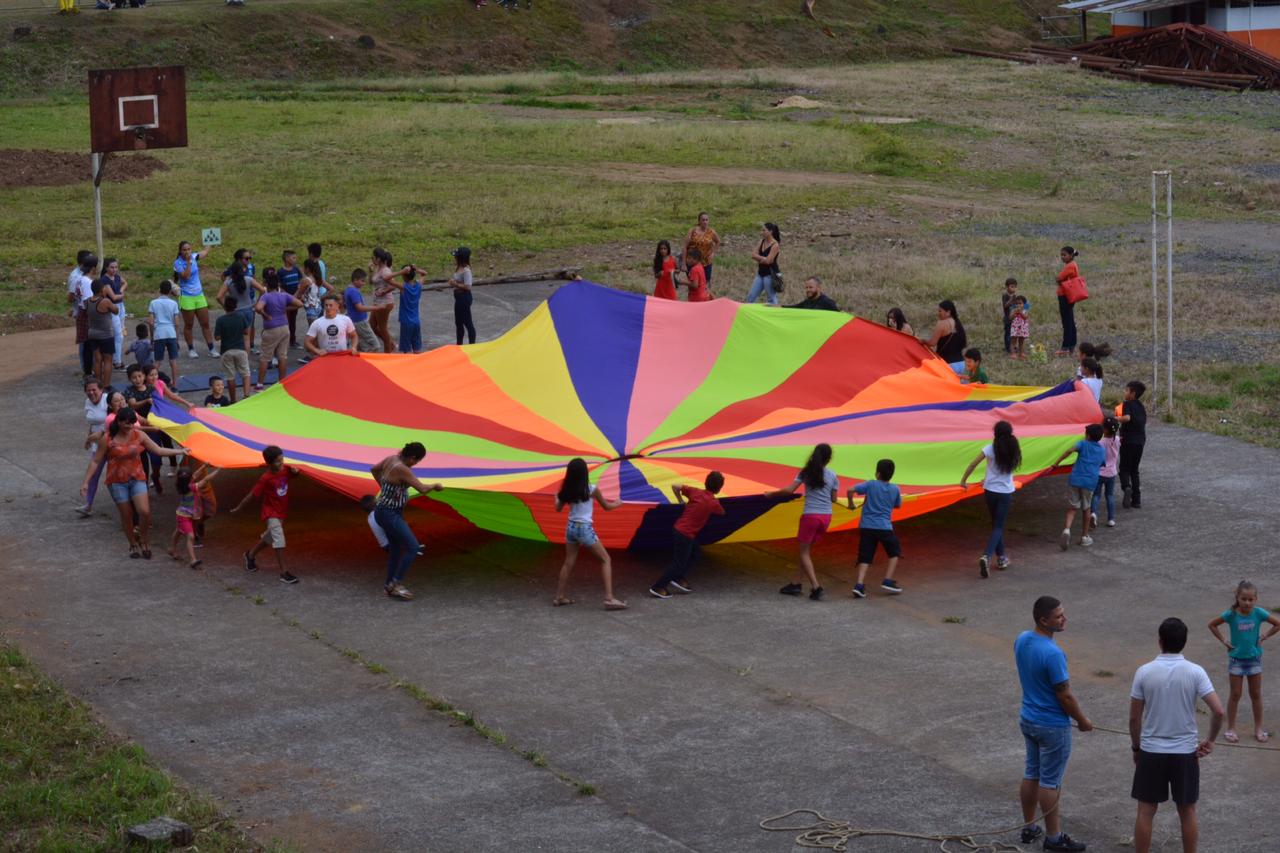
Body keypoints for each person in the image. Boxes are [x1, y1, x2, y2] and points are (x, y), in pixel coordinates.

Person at [1129, 617, 1224, 853]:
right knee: (1187, 810)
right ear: (1184, 642)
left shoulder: (1144, 672)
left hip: (1151, 751)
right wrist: (1210, 740)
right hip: (1184, 752)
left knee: (1146, 811)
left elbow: (1134, 719)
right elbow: (1219, 710)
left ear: (1160, 641)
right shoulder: (1195, 672)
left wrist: (1136, 747)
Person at [1014, 596, 1092, 852]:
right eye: (1059, 616)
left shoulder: (1022, 639)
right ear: (1043, 620)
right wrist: (1082, 720)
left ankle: (1029, 827)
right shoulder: (1053, 654)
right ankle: (1054, 837)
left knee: (1031, 773)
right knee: (1050, 781)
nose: (1064, 619)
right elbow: (1064, 694)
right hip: (1052, 726)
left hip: (1029, 719)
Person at [81, 407, 185, 559]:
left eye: (131, 423)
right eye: (126, 423)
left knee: (144, 512)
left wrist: (180, 451)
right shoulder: (108, 438)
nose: (129, 427)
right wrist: (86, 482)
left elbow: (158, 450)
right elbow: (96, 461)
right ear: (119, 422)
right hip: (116, 482)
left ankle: (143, 540)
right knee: (127, 515)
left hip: (137, 478)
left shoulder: (139, 435)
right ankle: (132, 544)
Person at [1208, 580, 1280, 744]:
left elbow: (1277, 624)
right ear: (1237, 598)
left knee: (1256, 694)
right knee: (1235, 695)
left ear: (1255, 599)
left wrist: (1265, 636)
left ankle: (1258, 728)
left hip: (1254, 659)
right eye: (1244, 599)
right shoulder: (1231, 614)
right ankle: (1231, 728)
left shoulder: (1259, 613)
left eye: (1250, 599)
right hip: (1236, 660)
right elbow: (1212, 625)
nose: (1247, 603)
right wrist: (1224, 641)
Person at [370, 442, 443, 601]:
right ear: (412, 457)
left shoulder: (391, 459)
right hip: (390, 514)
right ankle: (395, 584)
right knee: (413, 546)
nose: (415, 465)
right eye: (416, 461)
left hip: (383, 511)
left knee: (396, 551)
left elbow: (374, 469)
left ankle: (388, 586)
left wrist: (384, 486)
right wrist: (436, 485)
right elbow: (422, 489)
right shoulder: (402, 469)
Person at [552, 458, 627, 610]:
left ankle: (559, 597)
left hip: (571, 528)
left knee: (568, 562)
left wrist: (556, 498)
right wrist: (618, 503)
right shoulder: (592, 489)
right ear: (585, 473)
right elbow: (607, 507)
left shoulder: (566, 490)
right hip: (584, 529)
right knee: (606, 559)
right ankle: (609, 598)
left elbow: (558, 509)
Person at [766, 443, 838, 600]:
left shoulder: (807, 472)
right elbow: (834, 499)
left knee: (804, 552)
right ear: (829, 458)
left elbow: (789, 490)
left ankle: (816, 588)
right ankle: (796, 583)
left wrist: (771, 494)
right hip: (826, 518)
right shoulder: (833, 475)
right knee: (805, 552)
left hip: (811, 517)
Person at [648, 472, 726, 599]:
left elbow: (675, 486)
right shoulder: (714, 503)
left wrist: (681, 501)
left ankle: (678, 576)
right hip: (685, 534)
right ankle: (658, 587)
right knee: (678, 563)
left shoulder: (694, 491)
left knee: (695, 553)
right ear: (719, 489)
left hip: (679, 529)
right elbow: (722, 512)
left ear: (705, 482)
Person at [960, 420, 1021, 578]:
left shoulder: (990, 448)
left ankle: (1001, 558)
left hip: (990, 491)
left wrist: (963, 480)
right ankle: (987, 556)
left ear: (995, 433)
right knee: (998, 527)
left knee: (996, 526)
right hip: (1005, 492)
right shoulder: (1013, 447)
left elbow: (973, 464)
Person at [231, 445, 301, 584]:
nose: (281, 463)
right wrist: (239, 507)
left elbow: (294, 474)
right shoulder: (266, 478)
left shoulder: (285, 469)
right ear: (269, 463)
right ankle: (284, 572)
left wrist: (295, 472)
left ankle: (250, 555)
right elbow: (252, 494)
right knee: (279, 539)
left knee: (269, 538)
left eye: (282, 460)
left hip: (281, 512)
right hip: (271, 513)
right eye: (277, 461)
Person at [847, 458, 903, 598]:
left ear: (877, 473)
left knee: (865, 556)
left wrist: (851, 503)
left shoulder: (870, 485)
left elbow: (850, 489)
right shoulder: (895, 488)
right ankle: (888, 580)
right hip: (884, 527)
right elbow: (897, 505)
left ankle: (859, 585)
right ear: (891, 475)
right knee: (894, 552)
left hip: (867, 526)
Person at [1050, 423, 1106, 550]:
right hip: (1090, 482)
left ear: (1088, 436)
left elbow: (1069, 450)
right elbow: (1102, 464)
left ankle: (1067, 530)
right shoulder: (1102, 450)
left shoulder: (1082, 444)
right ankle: (1084, 537)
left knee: (1072, 507)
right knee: (1086, 509)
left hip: (1075, 479)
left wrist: (1056, 463)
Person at [255, 268, 303, 390]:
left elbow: (258, 308)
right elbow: (300, 304)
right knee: (282, 355)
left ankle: (260, 384)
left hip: (271, 328)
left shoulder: (265, 297)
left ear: (266, 285)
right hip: (284, 327)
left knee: (265, 357)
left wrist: (266, 315)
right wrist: (285, 309)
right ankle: (282, 382)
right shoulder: (284, 295)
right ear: (278, 285)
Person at [172, 240, 218, 358]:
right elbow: (186, 276)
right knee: (189, 324)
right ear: (180, 251)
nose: (187, 252)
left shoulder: (194, 256)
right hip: (187, 296)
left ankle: (211, 348)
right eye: (184, 250)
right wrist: (188, 263)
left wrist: (209, 244)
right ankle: (191, 349)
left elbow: (204, 252)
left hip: (199, 295)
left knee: (205, 323)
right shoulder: (178, 263)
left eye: (189, 249)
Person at [218, 248, 263, 355]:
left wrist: (226, 307)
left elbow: (219, 296)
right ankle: (245, 361)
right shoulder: (248, 279)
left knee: (235, 336)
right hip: (248, 308)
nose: (249, 260)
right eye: (246, 258)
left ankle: (234, 358)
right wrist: (256, 303)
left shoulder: (229, 282)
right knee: (246, 338)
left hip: (235, 310)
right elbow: (262, 289)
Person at [167, 467, 212, 570]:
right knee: (190, 536)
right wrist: (219, 469)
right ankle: (193, 560)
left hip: (182, 514)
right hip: (184, 516)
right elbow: (205, 480)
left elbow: (195, 474)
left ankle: (172, 548)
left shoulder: (182, 485)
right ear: (190, 478)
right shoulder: (192, 487)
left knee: (179, 530)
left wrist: (204, 465)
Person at [77, 378, 109, 517]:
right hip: (97, 444)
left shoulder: (108, 401)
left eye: (94, 389)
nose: (91, 393)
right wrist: (88, 438)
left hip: (112, 441)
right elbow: (92, 422)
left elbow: (115, 420)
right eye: (88, 390)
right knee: (93, 474)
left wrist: (101, 434)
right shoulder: (87, 402)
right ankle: (88, 504)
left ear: (101, 389)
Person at [1117, 380, 1147, 509]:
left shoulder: (1127, 403)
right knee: (1135, 470)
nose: (1125, 392)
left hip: (1128, 440)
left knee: (1124, 468)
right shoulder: (1141, 406)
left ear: (1132, 393)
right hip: (1140, 441)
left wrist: (1116, 418)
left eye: (1126, 390)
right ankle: (1137, 500)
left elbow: (1127, 418)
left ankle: (1126, 487)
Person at [214, 297, 251, 402]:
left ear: (225, 307)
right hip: (240, 349)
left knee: (230, 376)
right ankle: (246, 396)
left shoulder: (220, 320)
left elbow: (217, 337)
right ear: (236, 306)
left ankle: (233, 400)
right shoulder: (241, 316)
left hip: (226, 350)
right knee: (245, 373)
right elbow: (246, 331)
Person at [84, 278, 119, 389]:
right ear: (102, 289)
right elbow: (116, 310)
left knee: (97, 359)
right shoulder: (105, 301)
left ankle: (97, 383)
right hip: (105, 334)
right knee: (108, 359)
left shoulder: (87, 301)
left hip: (92, 333)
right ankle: (106, 384)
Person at [369, 247, 405, 353]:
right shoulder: (378, 269)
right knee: (372, 326)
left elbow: (393, 285)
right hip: (377, 302)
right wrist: (370, 270)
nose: (372, 259)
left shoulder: (385, 271)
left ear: (379, 259)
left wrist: (384, 291)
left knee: (382, 328)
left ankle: (388, 352)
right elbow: (371, 282)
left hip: (384, 303)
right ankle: (390, 343)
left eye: (373, 257)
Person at [344, 268, 385, 355]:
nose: (364, 283)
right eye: (362, 281)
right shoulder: (353, 292)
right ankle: (367, 359)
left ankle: (361, 361)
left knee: (361, 345)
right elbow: (360, 308)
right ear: (355, 280)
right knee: (376, 345)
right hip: (360, 322)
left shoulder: (349, 289)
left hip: (354, 321)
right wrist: (377, 308)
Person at [68, 252, 96, 377]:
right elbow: (87, 301)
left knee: (86, 343)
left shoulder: (80, 279)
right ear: (93, 268)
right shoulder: (86, 282)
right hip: (86, 314)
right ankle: (88, 370)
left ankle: (88, 369)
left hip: (81, 312)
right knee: (87, 345)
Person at [148, 280, 182, 384]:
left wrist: (152, 338)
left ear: (159, 290)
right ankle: (175, 384)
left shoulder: (153, 303)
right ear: (170, 291)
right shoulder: (174, 304)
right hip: (171, 333)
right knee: (173, 361)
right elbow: (176, 323)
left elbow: (151, 322)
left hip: (159, 333)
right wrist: (176, 338)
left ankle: (149, 383)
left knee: (157, 361)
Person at [1089, 416, 1120, 530]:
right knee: (1110, 495)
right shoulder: (1116, 440)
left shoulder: (1100, 442)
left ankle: (1093, 513)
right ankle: (1111, 519)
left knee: (1096, 495)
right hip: (1111, 473)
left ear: (1105, 430)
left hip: (1099, 473)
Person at [385, 266, 424, 353]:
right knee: (417, 349)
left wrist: (400, 272)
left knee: (406, 351)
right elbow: (424, 273)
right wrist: (416, 269)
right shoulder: (418, 285)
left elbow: (386, 278)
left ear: (404, 276)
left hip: (406, 322)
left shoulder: (403, 287)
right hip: (416, 321)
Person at [99, 257, 129, 369]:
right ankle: (117, 361)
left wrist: (121, 290)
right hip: (112, 308)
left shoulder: (116, 277)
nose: (114, 269)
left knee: (121, 331)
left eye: (116, 267)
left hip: (121, 306)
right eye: (111, 267)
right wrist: (121, 295)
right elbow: (113, 297)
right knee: (118, 335)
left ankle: (117, 359)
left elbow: (125, 282)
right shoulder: (104, 280)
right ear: (106, 268)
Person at [919, 300, 966, 369]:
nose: (938, 313)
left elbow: (932, 343)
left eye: (940, 311)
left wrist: (923, 341)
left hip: (947, 364)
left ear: (948, 312)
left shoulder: (942, 323)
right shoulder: (957, 323)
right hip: (961, 363)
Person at [744, 223, 781, 306]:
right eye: (762, 230)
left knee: (771, 298)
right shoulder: (762, 241)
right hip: (760, 274)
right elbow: (753, 255)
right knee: (751, 297)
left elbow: (769, 261)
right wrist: (763, 259)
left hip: (770, 275)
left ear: (770, 232)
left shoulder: (775, 245)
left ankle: (775, 314)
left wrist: (759, 258)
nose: (762, 232)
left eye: (764, 230)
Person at [1055, 247, 1081, 357]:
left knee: (1067, 322)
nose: (1062, 257)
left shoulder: (1070, 266)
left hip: (1065, 295)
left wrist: (1059, 280)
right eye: (1061, 255)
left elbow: (1058, 278)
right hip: (1069, 295)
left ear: (1071, 255)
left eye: (1064, 255)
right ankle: (1071, 346)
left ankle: (1065, 347)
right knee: (1070, 320)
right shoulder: (1073, 265)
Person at [681, 211, 721, 284]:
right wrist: (683, 263)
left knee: (705, 283)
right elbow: (685, 246)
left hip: (706, 262)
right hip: (692, 261)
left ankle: (706, 295)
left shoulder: (711, 232)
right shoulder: (693, 231)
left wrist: (713, 253)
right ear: (699, 221)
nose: (705, 222)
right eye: (703, 220)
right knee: (693, 283)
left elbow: (718, 241)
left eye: (707, 220)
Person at [450, 246, 477, 345]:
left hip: (464, 298)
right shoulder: (459, 267)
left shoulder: (466, 270)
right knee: (458, 323)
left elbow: (468, 286)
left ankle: (472, 345)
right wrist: (454, 282)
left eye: (456, 256)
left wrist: (455, 284)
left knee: (467, 322)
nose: (455, 258)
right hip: (458, 298)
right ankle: (459, 344)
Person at [277, 250, 304, 349]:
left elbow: (301, 283)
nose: (295, 260)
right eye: (293, 258)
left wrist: (295, 295)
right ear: (287, 259)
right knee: (284, 320)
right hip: (285, 300)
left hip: (295, 298)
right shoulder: (280, 272)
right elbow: (279, 287)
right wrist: (288, 296)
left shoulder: (296, 269)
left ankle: (292, 340)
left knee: (292, 320)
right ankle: (283, 341)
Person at [299, 258, 326, 329]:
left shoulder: (306, 281)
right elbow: (331, 289)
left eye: (303, 267)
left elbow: (299, 295)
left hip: (311, 310)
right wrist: (320, 298)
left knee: (313, 333)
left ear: (307, 269)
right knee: (319, 331)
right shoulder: (317, 278)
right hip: (318, 307)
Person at [1001, 277, 1019, 356]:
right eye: (1012, 286)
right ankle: (1008, 347)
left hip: (1014, 318)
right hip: (1008, 318)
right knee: (1008, 333)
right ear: (1007, 287)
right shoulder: (1005, 295)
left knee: (1014, 333)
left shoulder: (1015, 296)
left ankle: (1013, 346)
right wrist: (1011, 300)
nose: (1013, 288)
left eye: (1015, 286)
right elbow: (1005, 306)